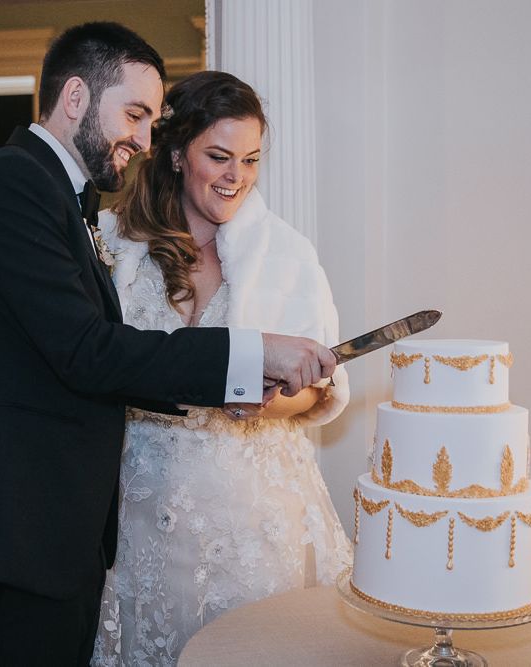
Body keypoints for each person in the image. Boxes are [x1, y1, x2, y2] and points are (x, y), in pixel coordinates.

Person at [0, 23, 336, 667]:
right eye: (134, 114)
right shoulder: (12, 185)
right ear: (76, 97)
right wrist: (252, 355)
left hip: (47, 538)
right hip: (9, 534)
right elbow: (91, 352)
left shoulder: (60, 199)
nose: (142, 137)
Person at [91, 71, 352, 666]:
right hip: (140, 509)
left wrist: (269, 399)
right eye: (219, 156)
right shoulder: (113, 246)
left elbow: (323, 390)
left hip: (251, 514)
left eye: (251, 160)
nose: (236, 176)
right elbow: (95, 363)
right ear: (178, 154)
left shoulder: (287, 254)